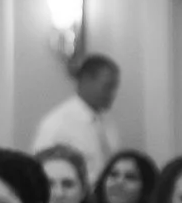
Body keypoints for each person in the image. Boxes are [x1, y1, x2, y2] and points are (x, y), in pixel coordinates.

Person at [30, 53, 121, 184]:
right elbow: (40, 170)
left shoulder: (107, 122)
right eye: (107, 87)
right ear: (86, 80)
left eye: (114, 87)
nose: (112, 94)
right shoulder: (56, 123)